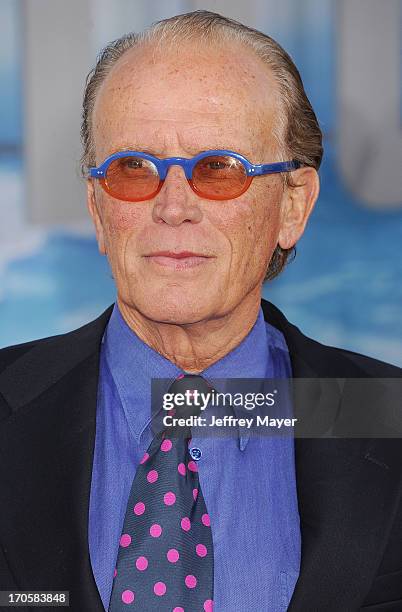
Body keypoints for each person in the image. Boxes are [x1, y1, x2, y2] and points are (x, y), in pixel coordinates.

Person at [0, 10, 401, 612]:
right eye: (134, 169)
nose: (173, 207)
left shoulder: (387, 418)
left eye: (219, 169)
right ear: (97, 208)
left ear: (293, 205)